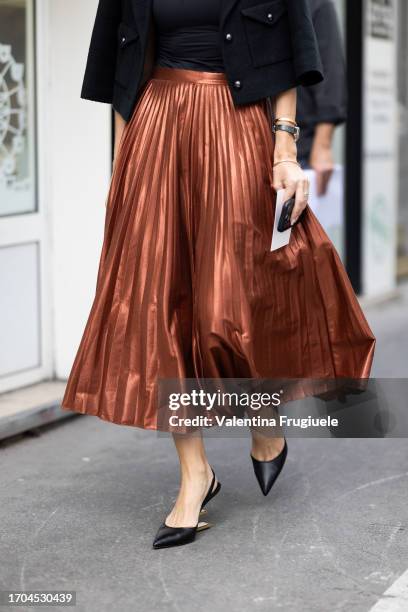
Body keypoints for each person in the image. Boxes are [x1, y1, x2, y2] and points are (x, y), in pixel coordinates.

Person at [61, 0, 375, 549]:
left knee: (236, 300)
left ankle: (263, 417)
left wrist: (285, 148)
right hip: (157, 133)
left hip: (238, 132)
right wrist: (121, 165)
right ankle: (194, 475)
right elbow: (120, 68)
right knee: (160, 302)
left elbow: (289, 56)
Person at [297, 0, 347, 195]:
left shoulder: (316, 3)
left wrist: (323, 145)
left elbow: (331, 71)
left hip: (302, 152)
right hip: (253, 145)